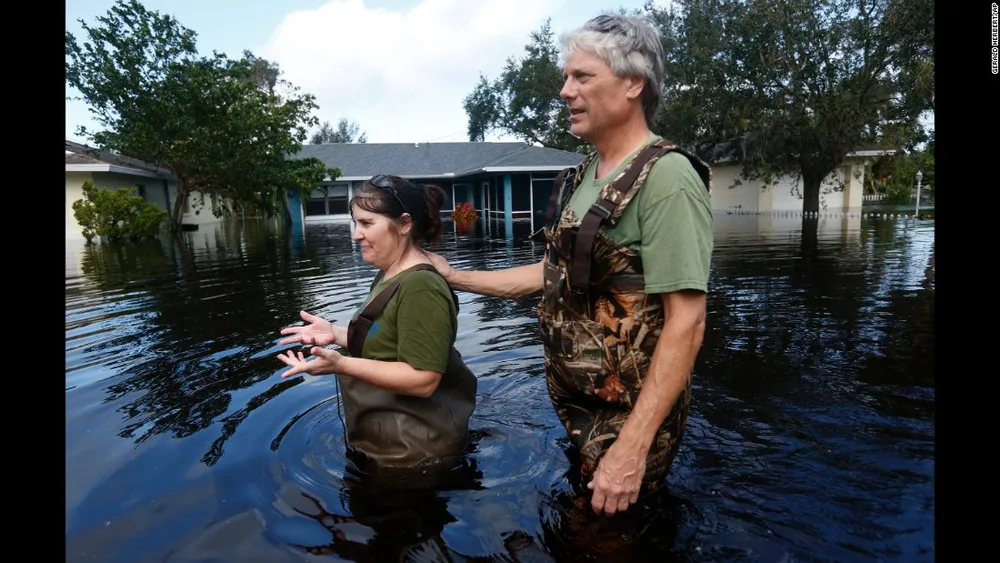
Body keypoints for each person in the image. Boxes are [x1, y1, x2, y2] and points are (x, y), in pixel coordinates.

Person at [422, 13, 714, 516]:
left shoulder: (667, 179)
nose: (564, 91)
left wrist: (632, 448)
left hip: (626, 418)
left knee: (605, 541)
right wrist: (454, 277)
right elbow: (550, 275)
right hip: (579, 404)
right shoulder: (583, 176)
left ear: (633, 84)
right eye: (566, 76)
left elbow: (687, 321)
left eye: (582, 77)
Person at [276, 174, 478, 469]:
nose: (356, 234)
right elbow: (385, 337)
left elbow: (423, 379)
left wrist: (341, 364)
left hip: (418, 459)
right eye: (356, 223)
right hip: (390, 447)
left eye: (367, 223)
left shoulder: (421, 287)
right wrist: (333, 333)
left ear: (405, 223)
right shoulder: (389, 275)